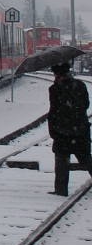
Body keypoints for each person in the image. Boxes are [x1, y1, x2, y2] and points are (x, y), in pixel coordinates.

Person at [47, 62, 92, 196]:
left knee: (61, 162)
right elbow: (86, 105)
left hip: (62, 132)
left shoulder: (54, 89)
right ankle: (60, 189)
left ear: (57, 74)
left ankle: (61, 190)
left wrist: (54, 129)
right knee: (86, 159)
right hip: (80, 129)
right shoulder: (80, 85)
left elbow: (54, 111)